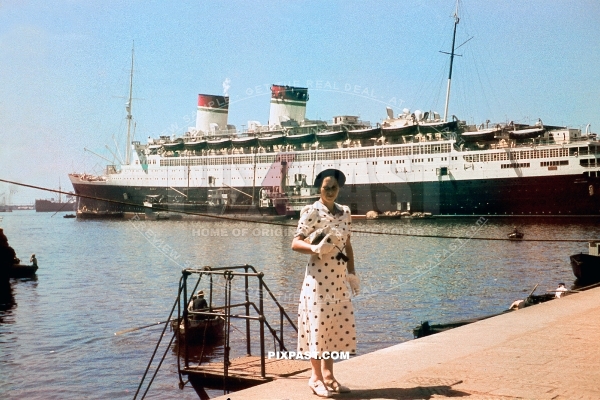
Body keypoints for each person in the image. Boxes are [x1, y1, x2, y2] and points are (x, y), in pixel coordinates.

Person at [291, 169, 359, 398]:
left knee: (333, 327)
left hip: (338, 279)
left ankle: (329, 376)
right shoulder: (311, 211)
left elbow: (347, 245)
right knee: (318, 326)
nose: (330, 192)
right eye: (325, 188)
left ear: (339, 188)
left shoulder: (345, 212)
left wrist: (352, 273)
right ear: (318, 189)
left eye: (334, 188)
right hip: (318, 280)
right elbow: (295, 243)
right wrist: (314, 248)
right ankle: (315, 377)